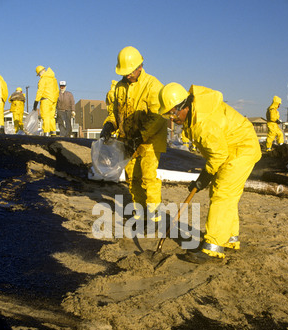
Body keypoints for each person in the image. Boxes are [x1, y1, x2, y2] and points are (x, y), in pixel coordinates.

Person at [158, 82, 262, 264]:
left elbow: (218, 155)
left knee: (222, 195)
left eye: (173, 113)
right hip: (234, 147)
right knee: (225, 194)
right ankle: (229, 239)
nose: (172, 119)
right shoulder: (196, 113)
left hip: (240, 150)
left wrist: (203, 178)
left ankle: (213, 249)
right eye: (168, 115)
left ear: (184, 106)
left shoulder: (202, 123)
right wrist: (205, 177)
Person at [100, 46, 167, 222]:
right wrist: (109, 124)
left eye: (130, 72)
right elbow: (116, 112)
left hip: (149, 142)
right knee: (132, 178)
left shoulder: (153, 85)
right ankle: (140, 212)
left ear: (139, 67)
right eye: (125, 73)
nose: (128, 75)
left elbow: (158, 117)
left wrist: (140, 137)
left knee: (148, 178)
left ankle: (153, 218)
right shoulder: (120, 87)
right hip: (127, 141)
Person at [33, 65, 59, 136]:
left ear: (40, 72)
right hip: (53, 100)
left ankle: (46, 133)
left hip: (45, 100)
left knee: (45, 117)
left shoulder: (43, 79)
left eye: (38, 74)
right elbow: (57, 91)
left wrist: (36, 101)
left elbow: (40, 91)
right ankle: (53, 133)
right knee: (51, 117)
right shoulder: (53, 79)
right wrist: (55, 101)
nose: (39, 76)